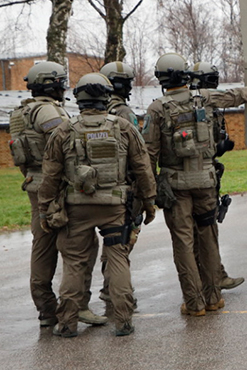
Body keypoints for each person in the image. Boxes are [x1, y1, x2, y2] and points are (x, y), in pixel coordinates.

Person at [142, 53, 247, 316]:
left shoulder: (156, 109)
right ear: (185, 76)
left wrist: (149, 192)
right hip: (206, 183)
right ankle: (213, 298)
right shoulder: (204, 97)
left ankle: (194, 303)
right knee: (208, 238)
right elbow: (238, 95)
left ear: (161, 79)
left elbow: (149, 155)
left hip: (176, 188)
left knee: (184, 244)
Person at [37, 73, 157, 337]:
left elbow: (50, 176)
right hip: (115, 207)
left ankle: (67, 324)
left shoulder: (64, 130)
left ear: (78, 98)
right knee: (117, 259)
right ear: (106, 97)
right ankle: (124, 320)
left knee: (74, 263)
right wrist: (149, 201)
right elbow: (142, 167)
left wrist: (44, 209)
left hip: (76, 207)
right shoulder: (124, 127)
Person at [8, 61, 107, 328]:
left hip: (33, 184)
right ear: (51, 84)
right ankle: (77, 307)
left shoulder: (20, 112)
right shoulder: (47, 111)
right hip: (56, 186)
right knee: (79, 247)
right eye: (61, 82)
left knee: (42, 246)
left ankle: (46, 310)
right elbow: (66, 143)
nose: (64, 87)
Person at [190, 61, 244, 290]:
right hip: (197, 176)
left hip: (204, 173)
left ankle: (213, 275)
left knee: (204, 229)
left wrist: (219, 147)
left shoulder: (200, 104)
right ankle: (208, 281)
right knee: (202, 230)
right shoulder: (195, 104)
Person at [97, 61, 142, 315]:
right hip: (126, 187)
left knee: (112, 241)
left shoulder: (94, 109)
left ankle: (109, 287)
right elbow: (139, 150)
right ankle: (115, 290)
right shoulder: (124, 113)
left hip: (101, 186)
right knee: (122, 241)